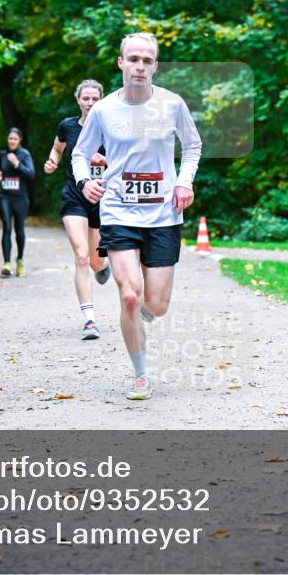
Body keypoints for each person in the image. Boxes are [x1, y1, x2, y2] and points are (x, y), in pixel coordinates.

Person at [71, 32, 202, 400]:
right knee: (129, 296)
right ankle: (141, 374)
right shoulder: (103, 109)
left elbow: (192, 146)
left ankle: (146, 309)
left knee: (155, 305)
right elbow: (80, 154)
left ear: (155, 66)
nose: (140, 66)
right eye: (134, 59)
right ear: (121, 63)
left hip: (163, 215)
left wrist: (183, 182)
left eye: (147, 60)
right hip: (118, 212)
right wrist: (85, 182)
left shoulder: (172, 104)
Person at [44, 79, 113, 340]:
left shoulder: (111, 128)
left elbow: (127, 159)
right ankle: (89, 321)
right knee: (81, 256)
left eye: (95, 98)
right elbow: (57, 147)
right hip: (74, 197)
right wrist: (52, 161)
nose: (90, 103)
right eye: (86, 98)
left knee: (95, 261)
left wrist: (104, 160)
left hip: (102, 200)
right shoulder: (68, 126)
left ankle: (101, 265)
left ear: (101, 100)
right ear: (78, 100)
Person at [0, 127, 35, 277]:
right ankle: (6, 263)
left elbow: (31, 174)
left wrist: (17, 164)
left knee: (19, 230)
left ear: (19, 140)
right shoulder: (2, 154)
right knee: (6, 226)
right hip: (5, 196)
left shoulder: (24, 154)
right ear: (7, 139)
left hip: (20, 198)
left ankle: (20, 261)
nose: (12, 141)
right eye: (10, 138)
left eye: (15, 139)